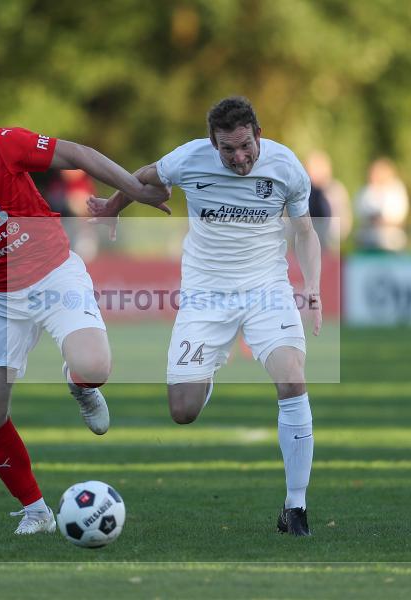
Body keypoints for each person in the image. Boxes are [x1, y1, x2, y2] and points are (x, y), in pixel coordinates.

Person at [0, 83, 169, 536]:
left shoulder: (2, 145)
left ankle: (79, 384)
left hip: (53, 274)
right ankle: (36, 510)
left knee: (94, 366)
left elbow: (80, 154)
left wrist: (131, 191)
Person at [88, 96, 321, 536]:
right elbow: (141, 177)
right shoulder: (189, 158)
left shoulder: (286, 166)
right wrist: (111, 209)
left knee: (292, 378)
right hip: (205, 295)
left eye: (246, 146)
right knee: (182, 410)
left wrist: (311, 286)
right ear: (212, 144)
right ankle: (210, 366)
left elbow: (306, 232)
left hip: (266, 290)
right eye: (227, 149)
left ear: (259, 134)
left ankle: (296, 508)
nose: (239, 157)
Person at [354, 158, 409, 252]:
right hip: (368, 239)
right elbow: (360, 214)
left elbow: (399, 217)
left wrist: (382, 221)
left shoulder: (396, 189)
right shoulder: (365, 191)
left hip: (392, 239)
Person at [305, 151, 352, 250]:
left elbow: (345, 221)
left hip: (330, 247)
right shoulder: (300, 192)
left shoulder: (336, 190)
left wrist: (332, 237)